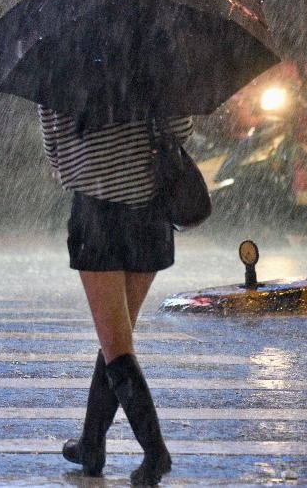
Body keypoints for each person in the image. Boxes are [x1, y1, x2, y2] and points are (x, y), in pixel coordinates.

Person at [39, 108, 189, 485]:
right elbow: (180, 127)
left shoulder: (65, 60)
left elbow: (54, 148)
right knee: (116, 336)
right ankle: (91, 443)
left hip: (98, 211)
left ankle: (155, 452)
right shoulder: (152, 55)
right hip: (150, 212)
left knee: (116, 343)